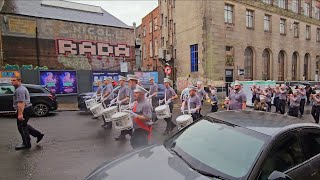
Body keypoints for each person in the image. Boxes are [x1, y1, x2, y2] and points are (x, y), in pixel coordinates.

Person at [11, 77, 44, 150]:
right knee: (24, 125)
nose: (12, 82)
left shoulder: (20, 90)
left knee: (22, 127)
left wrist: (20, 114)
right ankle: (38, 134)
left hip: (25, 109)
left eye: (13, 80)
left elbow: (21, 103)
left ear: (19, 81)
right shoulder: (20, 88)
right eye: (11, 80)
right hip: (27, 108)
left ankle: (26, 143)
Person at [114, 75, 138, 141]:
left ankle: (131, 135)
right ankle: (123, 134)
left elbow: (128, 97)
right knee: (122, 121)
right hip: (122, 105)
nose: (119, 81)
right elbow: (120, 96)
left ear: (123, 81)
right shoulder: (122, 88)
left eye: (120, 80)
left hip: (125, 105)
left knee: (126, 121)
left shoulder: (127, 88)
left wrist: (121, 101)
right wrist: (116, 100)